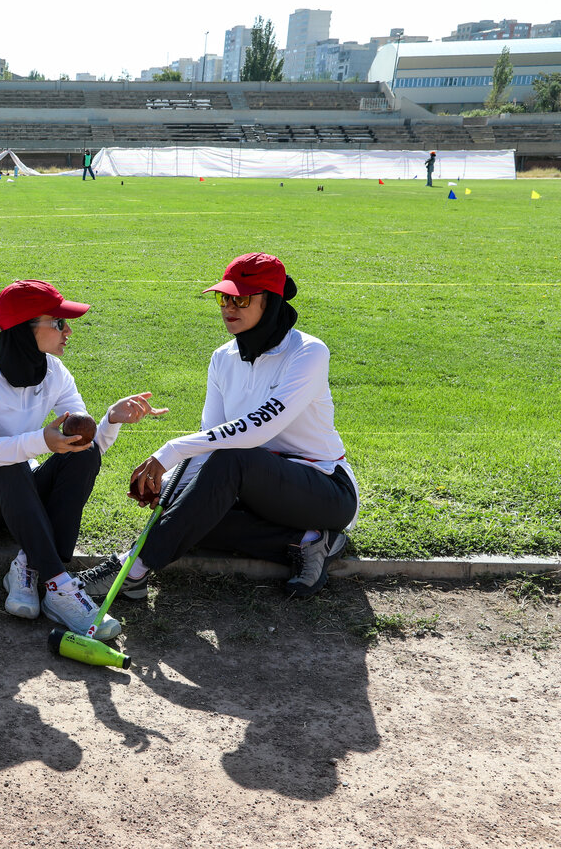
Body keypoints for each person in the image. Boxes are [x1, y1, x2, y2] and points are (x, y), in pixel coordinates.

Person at [80, 252, 359, 603]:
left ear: (270, 301)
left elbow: (259, 428)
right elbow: (210, 441)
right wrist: (172, 490)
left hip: (325, 489)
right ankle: (309, 540)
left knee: (231, 462)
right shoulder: (222, 357)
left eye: (241, 298)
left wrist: (172, 449)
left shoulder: (309, 352)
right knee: (185, 508)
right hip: (254, 491)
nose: (229, 307)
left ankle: (131, 570)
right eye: (224, 297)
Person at [0, 279, 166, 640]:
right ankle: (60, 586)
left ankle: (27, 564)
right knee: (8, 460)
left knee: (82, 455)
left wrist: (110, 420)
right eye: (58, 323)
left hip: (18, 499)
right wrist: (40, 441)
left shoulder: (56, 372)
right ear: (25, 330)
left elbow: (81, 447)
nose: (68, 331)